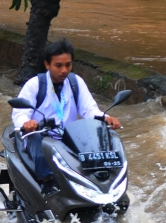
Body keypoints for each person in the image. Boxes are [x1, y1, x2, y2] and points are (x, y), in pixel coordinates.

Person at [12, 38, 121, 197]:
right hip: (41, 136)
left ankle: (102, 186)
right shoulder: (35, 85)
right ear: (47, 65)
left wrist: (106, 118)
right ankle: (47, 183)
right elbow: (20, 111)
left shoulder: (76, 82)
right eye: (58, 65)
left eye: (68, 65)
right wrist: (27, 123)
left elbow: (89, 108)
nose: (64, 70)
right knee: (38, 139)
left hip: (69, 137)